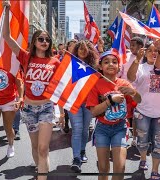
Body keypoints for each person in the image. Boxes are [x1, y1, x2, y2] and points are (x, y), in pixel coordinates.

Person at [2, 1, 64, 179]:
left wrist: (61, 111)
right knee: (36, 148)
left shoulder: (55, 61)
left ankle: (42, 176)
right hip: (28, 109)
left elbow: (63, 84)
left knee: (44, 148)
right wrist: (7, 11)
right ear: (34, 41)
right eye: (41, 39)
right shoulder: (25, 56)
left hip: (46, 108)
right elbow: (7, 36)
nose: (45, 42)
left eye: (47, 40)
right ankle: (40, 169)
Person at [87, 51, 141, 180]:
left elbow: (139, 100)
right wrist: (110, 101)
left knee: (120, 168)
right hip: (102, 129)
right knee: (103, 169)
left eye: (114, 62)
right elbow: (94, 111)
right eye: (106, 62)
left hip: (120, 128)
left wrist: (133, 92)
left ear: (119, 66)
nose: (111, 64)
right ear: (100, 66)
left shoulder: (124, 83)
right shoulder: (95, 84)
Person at [127, 40, 160, 179]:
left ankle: (155, 170)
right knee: (142, 140)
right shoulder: (140, 68)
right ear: (145, 53)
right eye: (150, 50)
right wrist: (136, 60)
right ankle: (142, 159)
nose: (154, 53)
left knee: (159, 142)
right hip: (143, 111)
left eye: (157, 50)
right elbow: (130, 77)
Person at [67, 40, 99, 173]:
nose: (82, 50)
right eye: (80, 48)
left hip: (89, 103)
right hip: (74, 102)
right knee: (77, 129)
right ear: (76, 50)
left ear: (90, 51)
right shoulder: (69, 64)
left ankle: (82, 150)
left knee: (85, 129)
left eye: (86, 48)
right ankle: (76, 159)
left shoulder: (95, 67)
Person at [119, 36, 144, 146]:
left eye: (134, 45)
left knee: (136, 116)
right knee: (125, 115)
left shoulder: (145, 58)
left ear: (141, 47)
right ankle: (123, 136)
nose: (131, 47)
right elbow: (120, 72)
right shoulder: (125, 56)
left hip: (139, 92)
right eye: (130, 45)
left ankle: (135, 137)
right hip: (125, 91)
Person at [61, 39, 78, 134]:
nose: (74, 46)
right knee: (66, 106)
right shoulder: (64, 58)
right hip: (67, 85)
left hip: (77, 86)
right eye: (72, 45)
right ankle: (66, 122)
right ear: (68, 47)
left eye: (76, 44)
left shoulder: (82, 57)